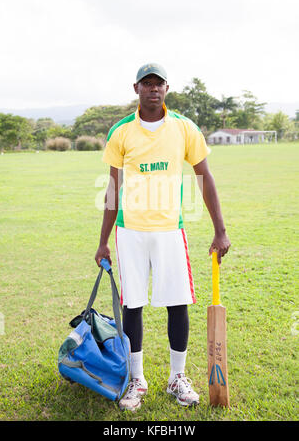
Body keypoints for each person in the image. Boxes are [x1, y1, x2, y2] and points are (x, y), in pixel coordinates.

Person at [95, 63, 231, 411]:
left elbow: (204, 176)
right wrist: (103, 241)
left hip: (170, 230)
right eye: (147, 84)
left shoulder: (184, 127)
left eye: (159, 84)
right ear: (136, 88)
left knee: (176, 302)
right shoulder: (121, 131)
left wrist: (221, 230)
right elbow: (112, 187)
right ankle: (137, 379)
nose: (153, 89)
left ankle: (177, 378)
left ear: (167, 88)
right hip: (131, 232)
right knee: (132, 304)